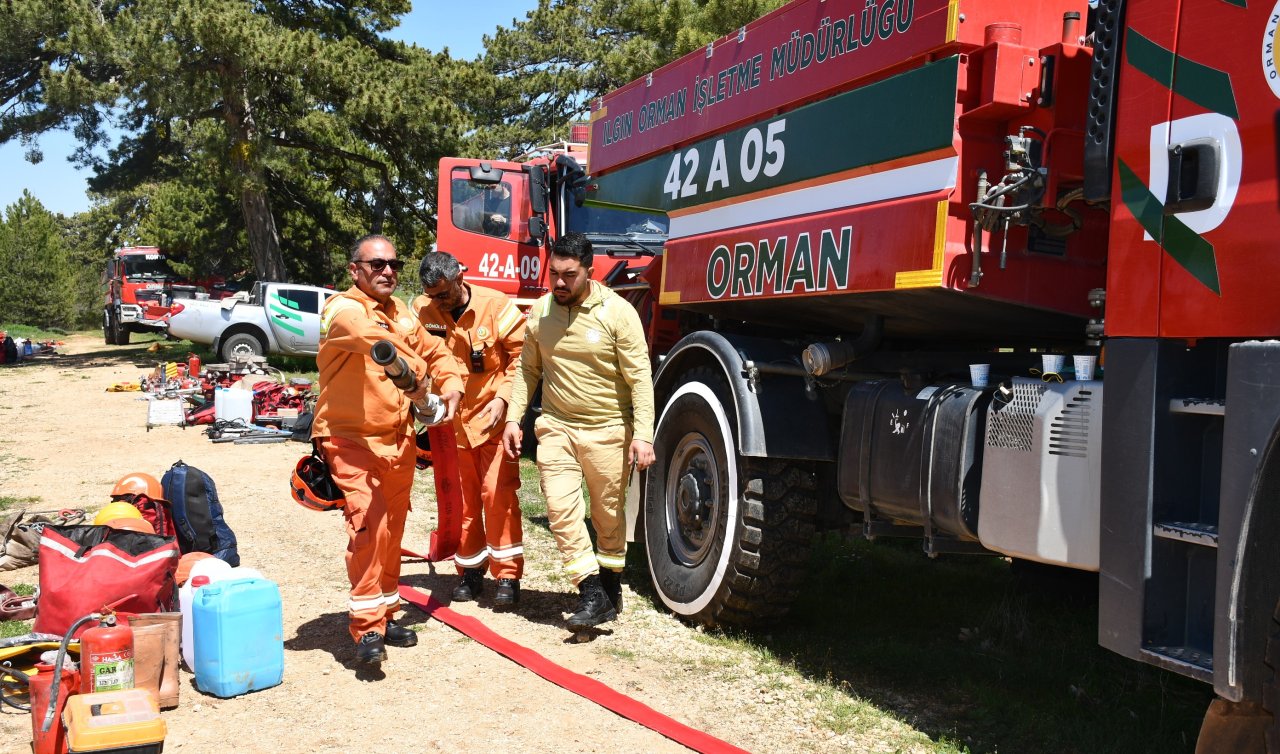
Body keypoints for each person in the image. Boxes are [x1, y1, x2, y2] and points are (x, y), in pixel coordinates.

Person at [312, 234, 465, 666]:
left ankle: (386, 611)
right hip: (350, 440)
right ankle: (366, 630)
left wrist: (449, 384)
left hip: (397, 441)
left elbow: (435, 350)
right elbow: (378, 343)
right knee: (371, 527)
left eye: (393, 264)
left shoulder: (401, 312)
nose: (387, 271)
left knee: (393, 531)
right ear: (354, 270)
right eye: (376, 264)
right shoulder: (343, 309)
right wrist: (419, 381)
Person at [501, 232, 656, 630]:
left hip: (608, 430)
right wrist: (513, 419)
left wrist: (643, 434)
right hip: (556, 427)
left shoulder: (618, 313)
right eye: (554, 273)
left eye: (569, 275)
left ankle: (610, 585)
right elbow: (527, 370)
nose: (559, 283)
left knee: (607, 516)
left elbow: (639, 378)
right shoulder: (540, 312)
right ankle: (590, 591)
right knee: (560, 509)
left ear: (590, 271)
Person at [412, 252, 526, 607]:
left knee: (498, 495)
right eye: (432, 296)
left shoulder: (496, 306)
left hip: (491, 421)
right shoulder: (422, 311)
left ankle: (507, 575)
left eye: (443, 295)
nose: (438, 303)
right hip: (452, 427)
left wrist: (505, 400)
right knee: (462, 503)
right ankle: (470, 572)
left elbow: (521, 358)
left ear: (460, 278)